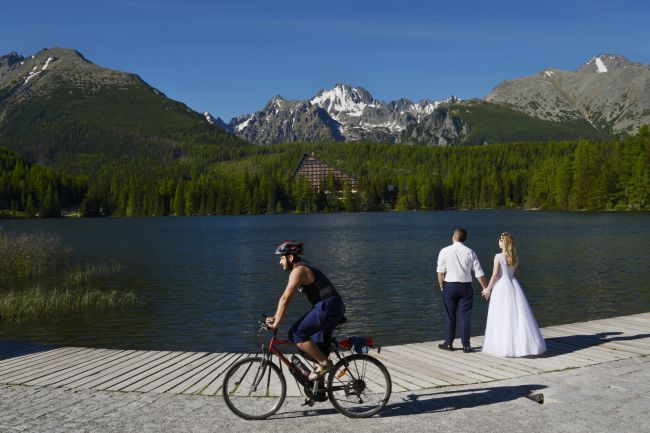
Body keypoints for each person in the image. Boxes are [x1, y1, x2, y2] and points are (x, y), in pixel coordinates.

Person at [266, 241, 346, 380]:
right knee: (314, 348)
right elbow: (284, 300)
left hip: (328, 306)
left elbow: (285, 298)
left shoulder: (299, 270)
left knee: (297, 333)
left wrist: (276, 324)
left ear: (290, 257)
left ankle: (325, 364)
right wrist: (275, 316)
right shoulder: (300, 268)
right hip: (329, 306)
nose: (280, 262)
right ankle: (319, 390)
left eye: (281, 258)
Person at [481, 232, 546, 357]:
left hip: (501, 287)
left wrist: (488, 289)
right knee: (517, 316)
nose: (498, 242)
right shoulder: (516, 257)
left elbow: (495, 275)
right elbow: (515, 275)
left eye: (499, 240)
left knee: (502, 316)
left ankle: (503, 345)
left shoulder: (498, 256)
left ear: (503, 242)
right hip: (513, 285)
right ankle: (521, 344)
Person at [436, 228, 487, 353]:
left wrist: (442, 286)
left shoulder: (444, 251)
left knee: (450, 316)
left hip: (450, 286)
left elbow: (440, 271)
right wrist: (485, 287)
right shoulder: (470, 252)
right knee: (465, 317)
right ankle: (466, 345)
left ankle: (448, 343)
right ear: (464, 239)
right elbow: (478, 273)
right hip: (465, 287)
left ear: (454, 237)